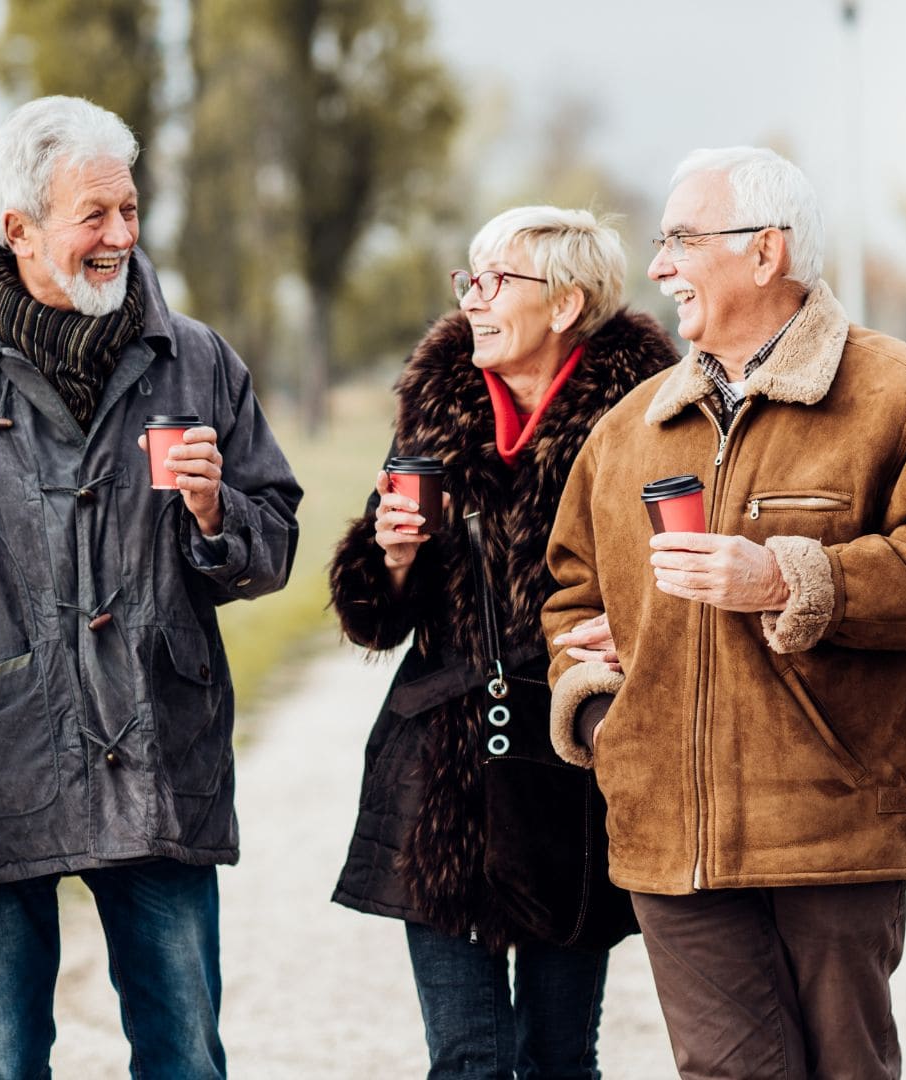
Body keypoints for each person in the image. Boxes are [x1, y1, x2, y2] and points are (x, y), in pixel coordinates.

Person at [542, 147, 906, 1079]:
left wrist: (789, 579)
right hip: (668, 836)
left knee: (847, 1069)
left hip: (831, 828)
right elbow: (571, 595)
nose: (659, 265)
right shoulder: (627, 430)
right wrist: (602, 712)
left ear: (766, 253)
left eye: (680, 239)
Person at [0, 95, 301, 1080]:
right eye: (93, 215)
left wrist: (218, 512)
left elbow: (275, 540)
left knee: (185, 1053)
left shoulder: (197, 359)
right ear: (16, 227)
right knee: (3, 1058)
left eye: (130, 211)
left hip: (158, 751)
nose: (122, 237)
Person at [328, 206, 676, 1078]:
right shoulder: (436, 411)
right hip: (443, 773)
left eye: (497, 282)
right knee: (467, 1059)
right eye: (469, 280)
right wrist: (393, 556)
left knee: (560, 1058)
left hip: (573, 765)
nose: (474, 300)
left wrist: (634, 633)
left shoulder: (644, 422)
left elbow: (675, 577)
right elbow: (376, 619)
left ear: (565, 305)